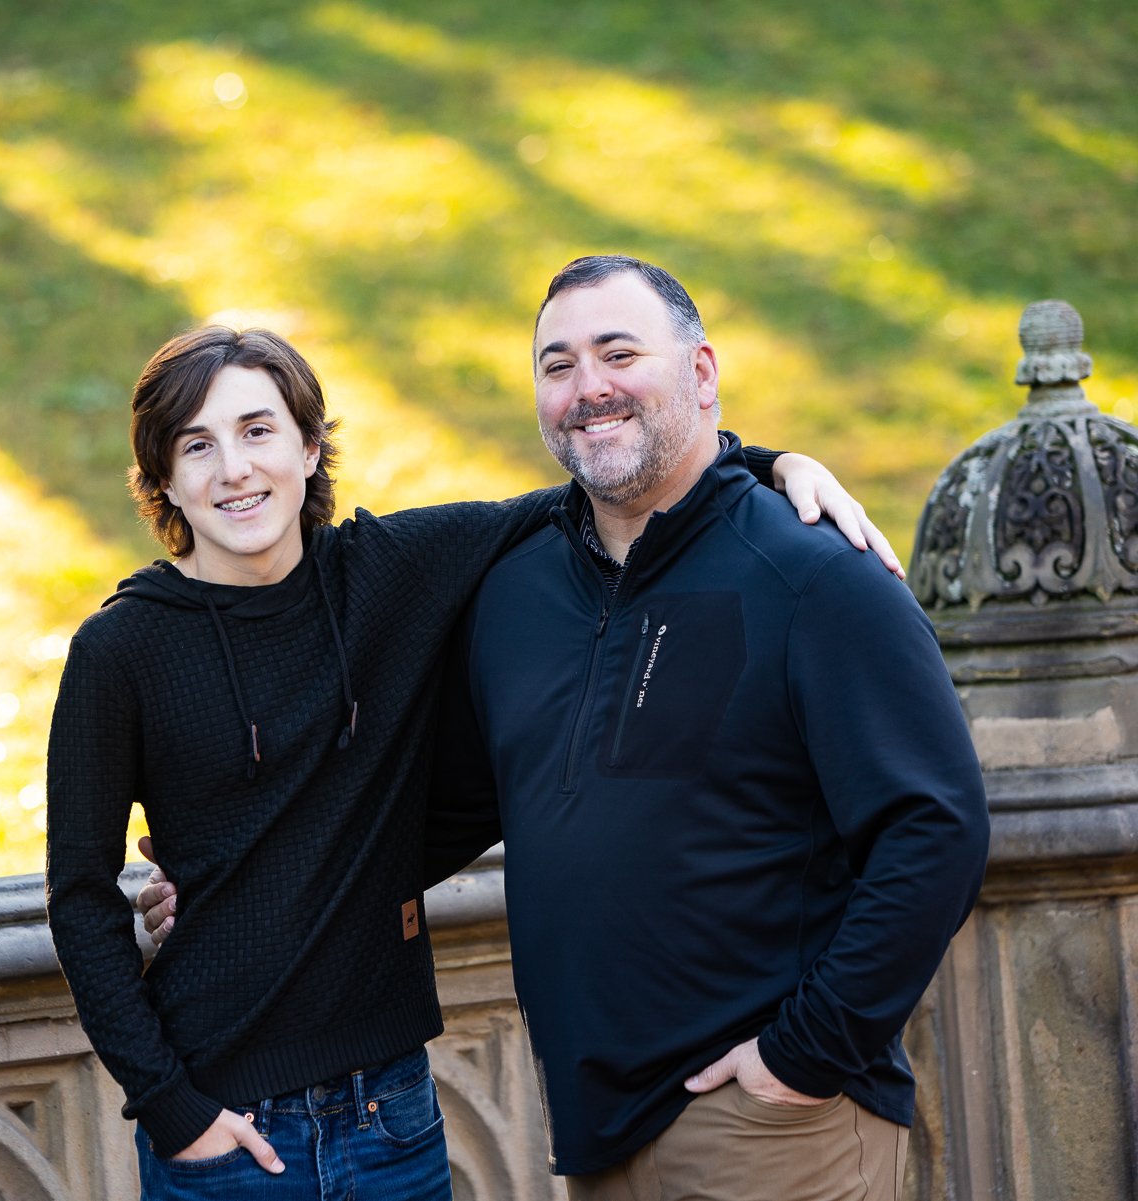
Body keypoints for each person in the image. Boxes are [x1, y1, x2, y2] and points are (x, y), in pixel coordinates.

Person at [47, 323, 894, 1201]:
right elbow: (77, 894)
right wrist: (168, 1105)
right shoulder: (121, 652)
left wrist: (767, 462)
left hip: (394, 1118)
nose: (234, 468)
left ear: (307, 445)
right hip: (225, 1131)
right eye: (198, 445)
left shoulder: (391, 570)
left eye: (258, 431)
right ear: (164, 479)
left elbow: (597, 491)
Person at [418, 256, 990, 1200]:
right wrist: (242, 880)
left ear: (702, 372)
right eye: (557, 365)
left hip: (770, 1129)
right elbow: (440, 810)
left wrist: (801, 1060)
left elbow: (936, 826)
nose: (588, 386)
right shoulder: (514, 593)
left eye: (618, 352)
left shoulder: (812, 573)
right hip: (599, 1135)